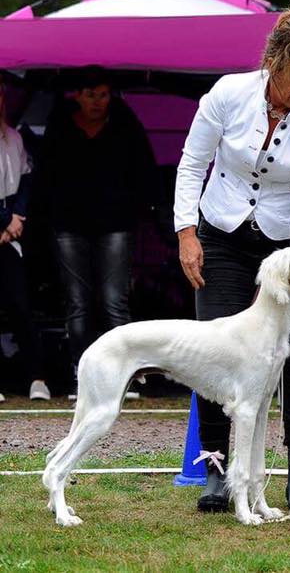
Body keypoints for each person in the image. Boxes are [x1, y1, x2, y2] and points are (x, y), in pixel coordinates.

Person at [174, 4, 290, 513]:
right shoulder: (227, 94)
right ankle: (215, 465)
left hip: (288, 241)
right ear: (273, 63)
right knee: (214, 347)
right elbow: (193, 163)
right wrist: (186, 232)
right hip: (221, 232)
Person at [37, 66, 157, 398]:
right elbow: (45, 176)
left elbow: (143, 171)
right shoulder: (60, 126)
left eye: (103, 95)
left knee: (114, 300)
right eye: (91, 95)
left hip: (116, 224)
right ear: (77, 96)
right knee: (77, 301)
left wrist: (143, 209)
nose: (97, 102)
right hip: (69, 224)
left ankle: (123, 375)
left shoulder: (125, 124)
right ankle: (82, 373)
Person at [0, 76, 47, 401]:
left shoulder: (13, 137)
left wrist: (17, 217)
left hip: (10, 231)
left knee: (20, 305)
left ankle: (36, 378)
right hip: (5, 223)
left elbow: (27, 178)